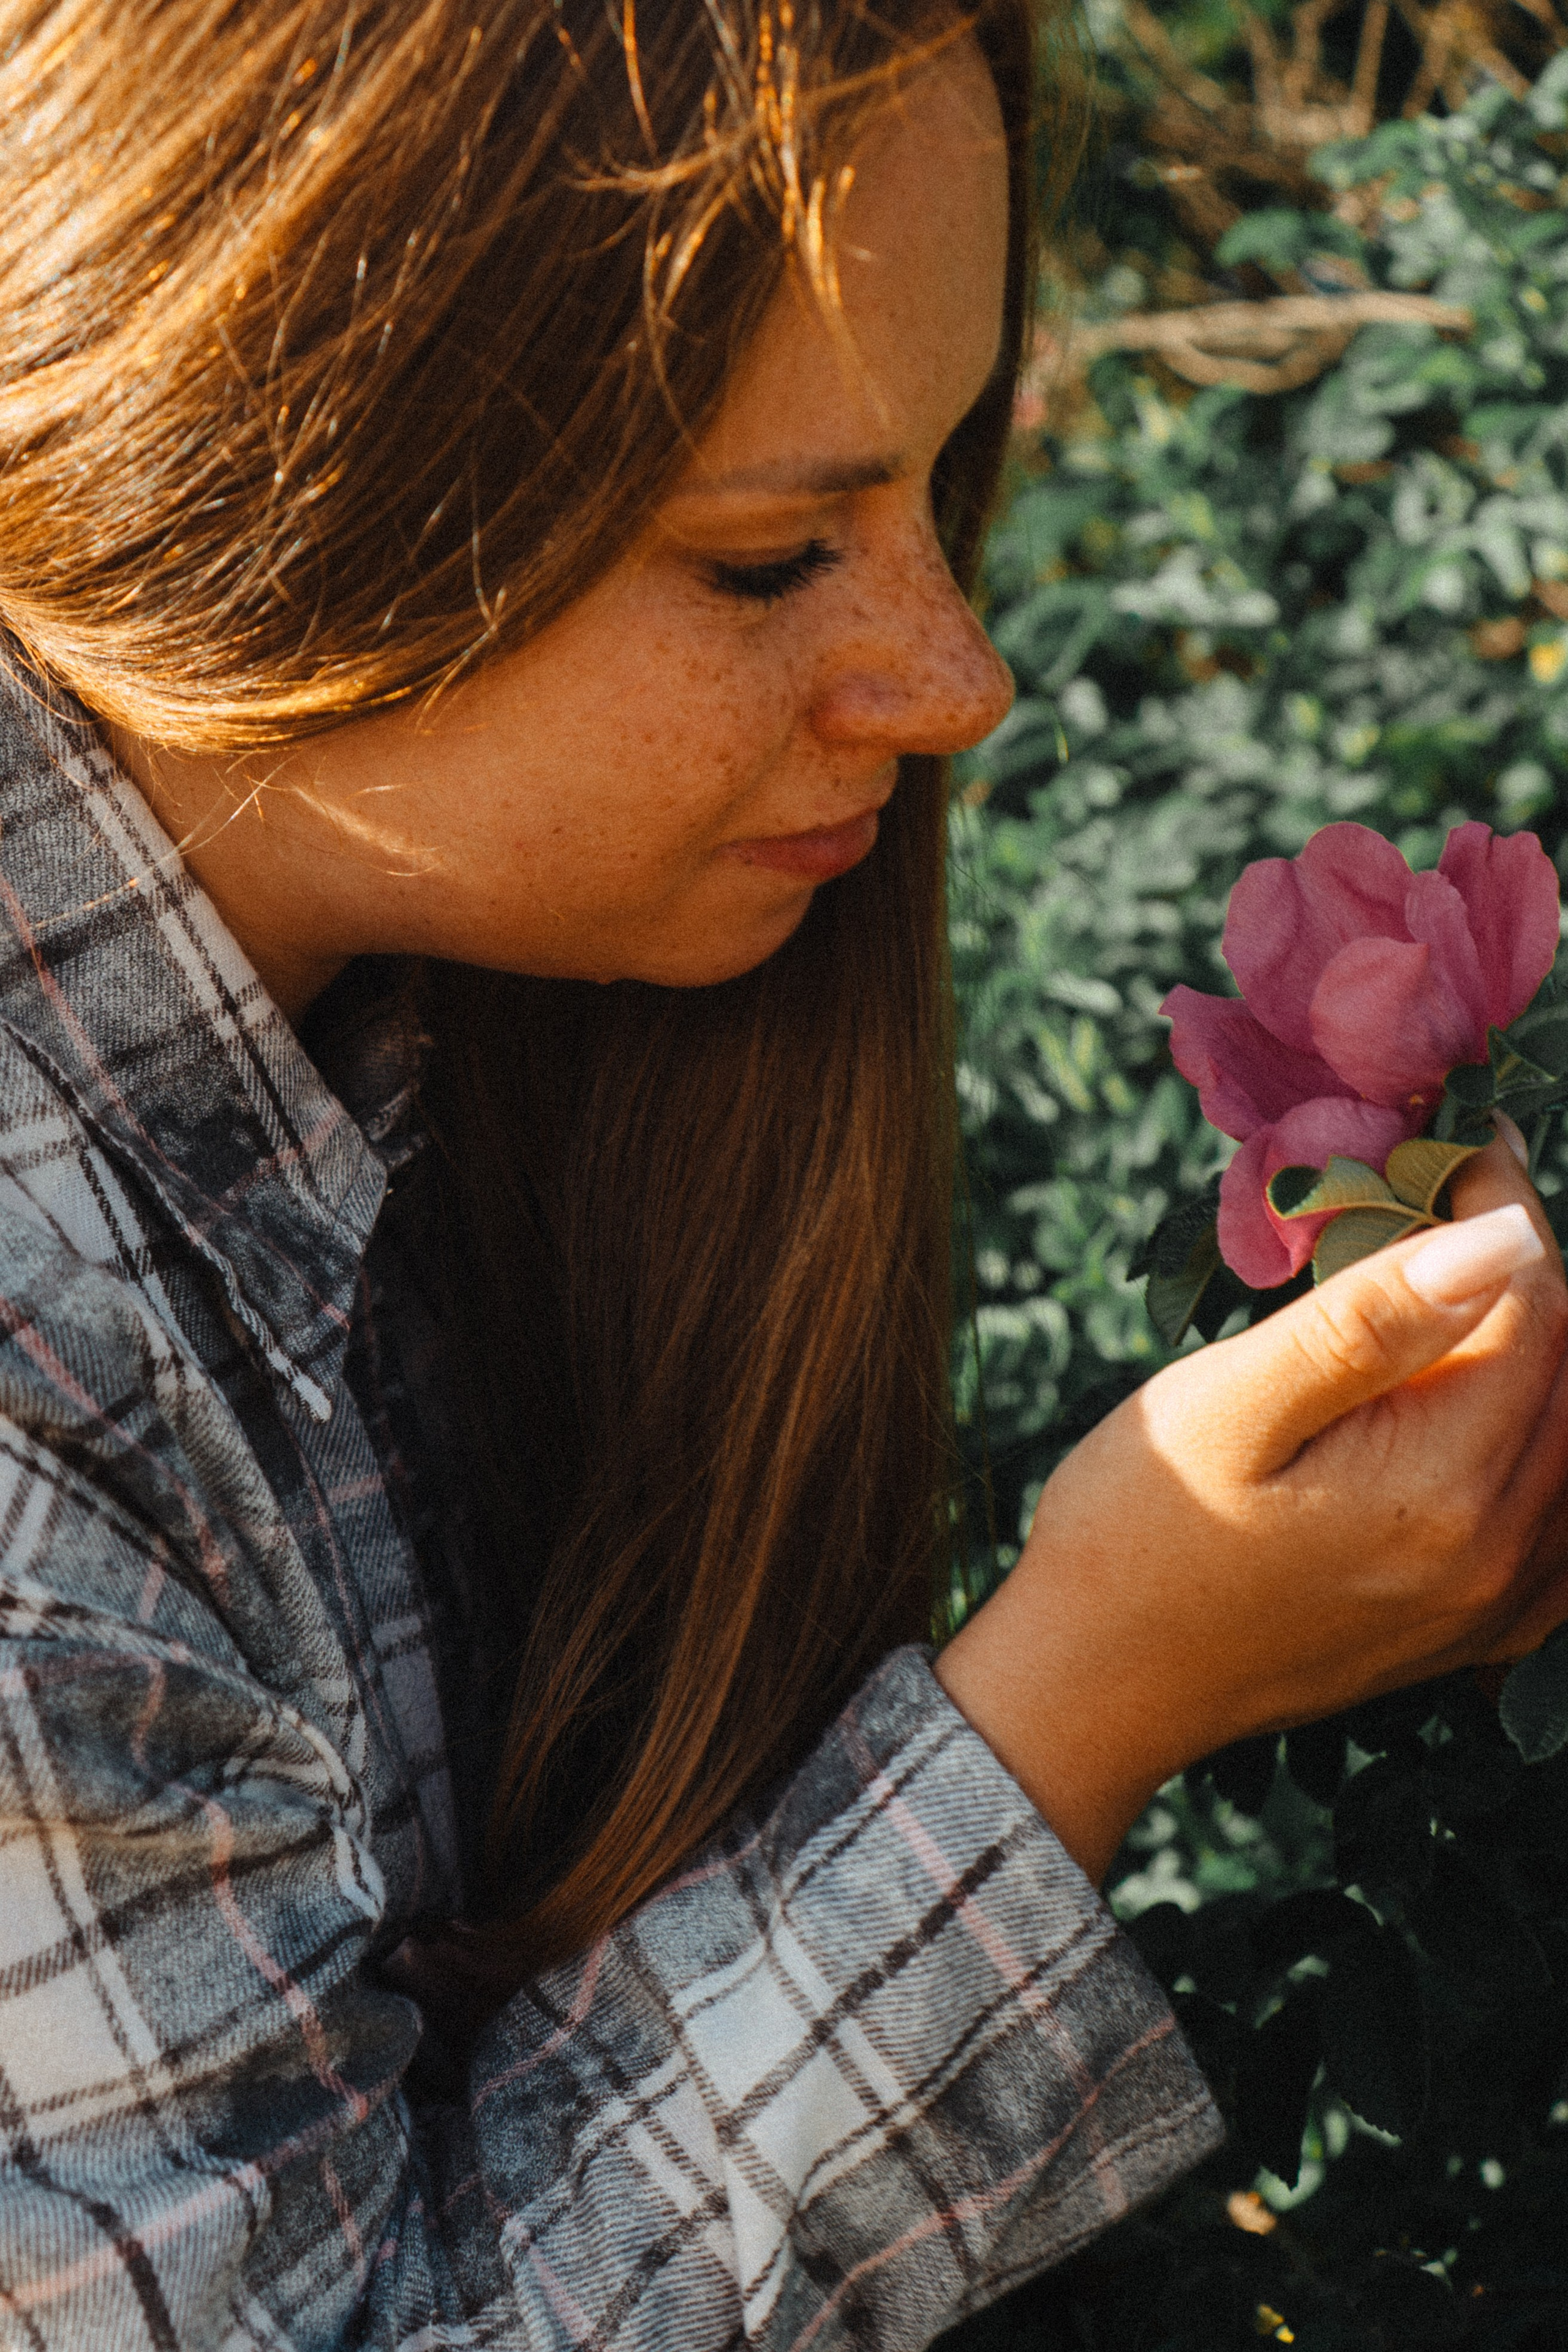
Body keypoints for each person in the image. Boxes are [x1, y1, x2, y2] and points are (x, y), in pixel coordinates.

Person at [0, 2, 1565, 2346]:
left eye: (938, 479)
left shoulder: (463, 1012)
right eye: (763, 561)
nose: (956, 680)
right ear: (249, 481)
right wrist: (1090, 1694)